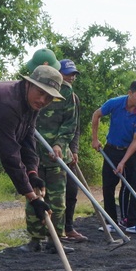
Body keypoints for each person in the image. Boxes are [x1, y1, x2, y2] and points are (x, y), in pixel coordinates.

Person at [0, 65, 64, 253]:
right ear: (28, 84)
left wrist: (33, 174)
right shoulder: (7, 103)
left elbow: (27, 141)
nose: (43, 100)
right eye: (40, 93)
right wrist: (32, 198)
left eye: (49, 97)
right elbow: (9, 155)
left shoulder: (31, 104)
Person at [29, 59, 81, 250]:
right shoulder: (31, 88)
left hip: (57, 157)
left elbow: (71, 124)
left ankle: (56, 241)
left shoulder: (67, 94)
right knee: (34, 198)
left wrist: (61, 144)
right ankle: (34, 240)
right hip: (34, 154)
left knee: (58, 200)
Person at [90, 79, 136, 235]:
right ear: (130, 93)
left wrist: (123, 162)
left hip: (131, 150)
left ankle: (133, 223)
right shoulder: (115, 103)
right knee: (108, 185)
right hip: (111, 148)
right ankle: (110, 221)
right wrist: (95, 138)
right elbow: (96, 115)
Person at [54, 61, 87, 242]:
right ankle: (49, 231)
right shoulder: (46, 95)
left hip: (66, 150)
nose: (71, 77)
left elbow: (75, 127)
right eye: (67, 73)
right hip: (47, 151)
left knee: (71, 190)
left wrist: (74, 150)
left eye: (73, 74)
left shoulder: (73, 98)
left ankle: (69, 227)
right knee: (52, 193)